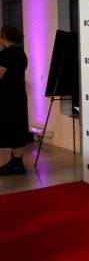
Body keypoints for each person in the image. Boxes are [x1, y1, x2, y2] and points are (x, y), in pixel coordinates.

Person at [0, 26, 32, 176]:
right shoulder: (21, 53)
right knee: (17, 127)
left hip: (7, 98)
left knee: (11, 127)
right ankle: (17, 162)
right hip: (18, 95)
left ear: (4, 36)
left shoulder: (7, 54)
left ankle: (16, 164)